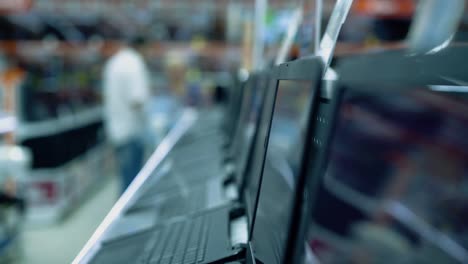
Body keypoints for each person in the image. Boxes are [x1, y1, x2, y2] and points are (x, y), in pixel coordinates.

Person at [103, 36, 150, 193]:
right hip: (131, 131)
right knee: (132, 187)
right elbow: (137, 100)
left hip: (117, 129)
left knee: (124, 181)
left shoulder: (114, 62)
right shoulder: (134, 63)